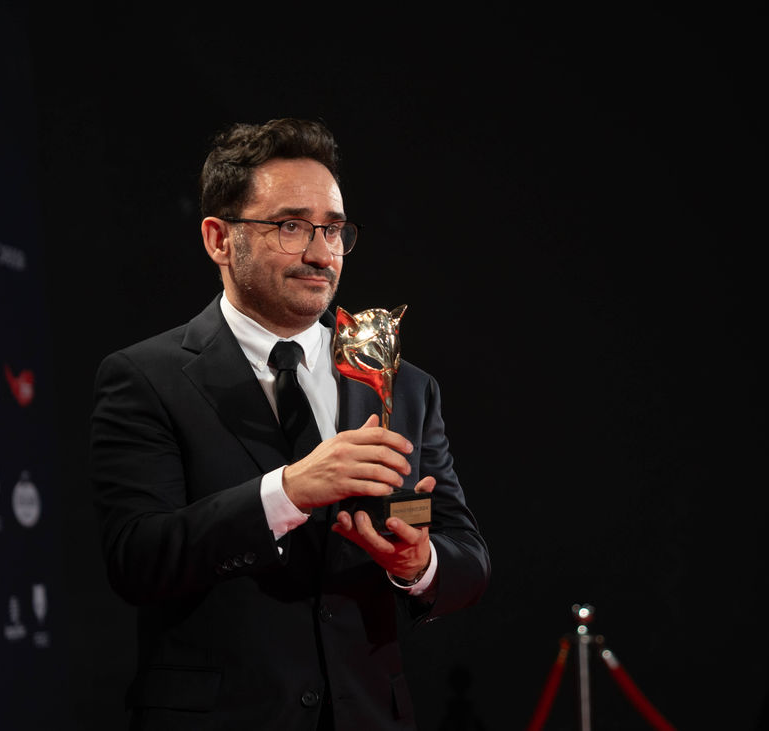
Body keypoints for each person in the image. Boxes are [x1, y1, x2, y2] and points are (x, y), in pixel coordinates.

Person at [90, 117, 489, 730]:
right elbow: (138, 557)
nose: (320, 253)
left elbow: (467, 557)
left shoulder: (402, 385)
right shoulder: (144, 377)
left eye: (333, 230)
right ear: (219, 239)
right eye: (290, 226)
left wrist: (420, 564)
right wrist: (289, 491)